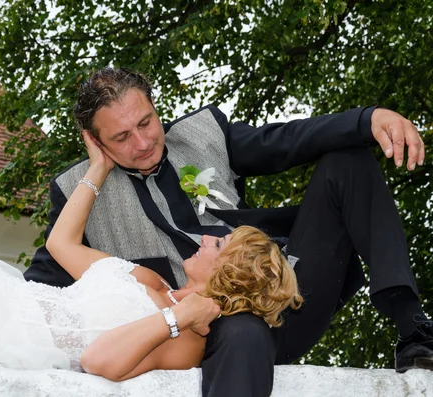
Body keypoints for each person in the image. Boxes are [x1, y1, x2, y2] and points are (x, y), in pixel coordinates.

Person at [25, 67, 433, 396]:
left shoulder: (205, 134)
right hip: (217, 325)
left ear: (155, 107)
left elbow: (289, 139)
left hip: (289, 290)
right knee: (243, 336)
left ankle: (412, 328)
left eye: (146, 123)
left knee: (349, 161)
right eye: (122, 136)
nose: (144, 142)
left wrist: (370, 119)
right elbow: (37, 286)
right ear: (94, 141)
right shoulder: (79, 194)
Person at [0, 144, 300, 387]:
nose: (206, 239)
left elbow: (99, 361)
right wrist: (97, 168)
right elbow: (61, 243)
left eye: (218, 246)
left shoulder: (187, 342)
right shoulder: (151, 279)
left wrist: (179, 316)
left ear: (228, 277)